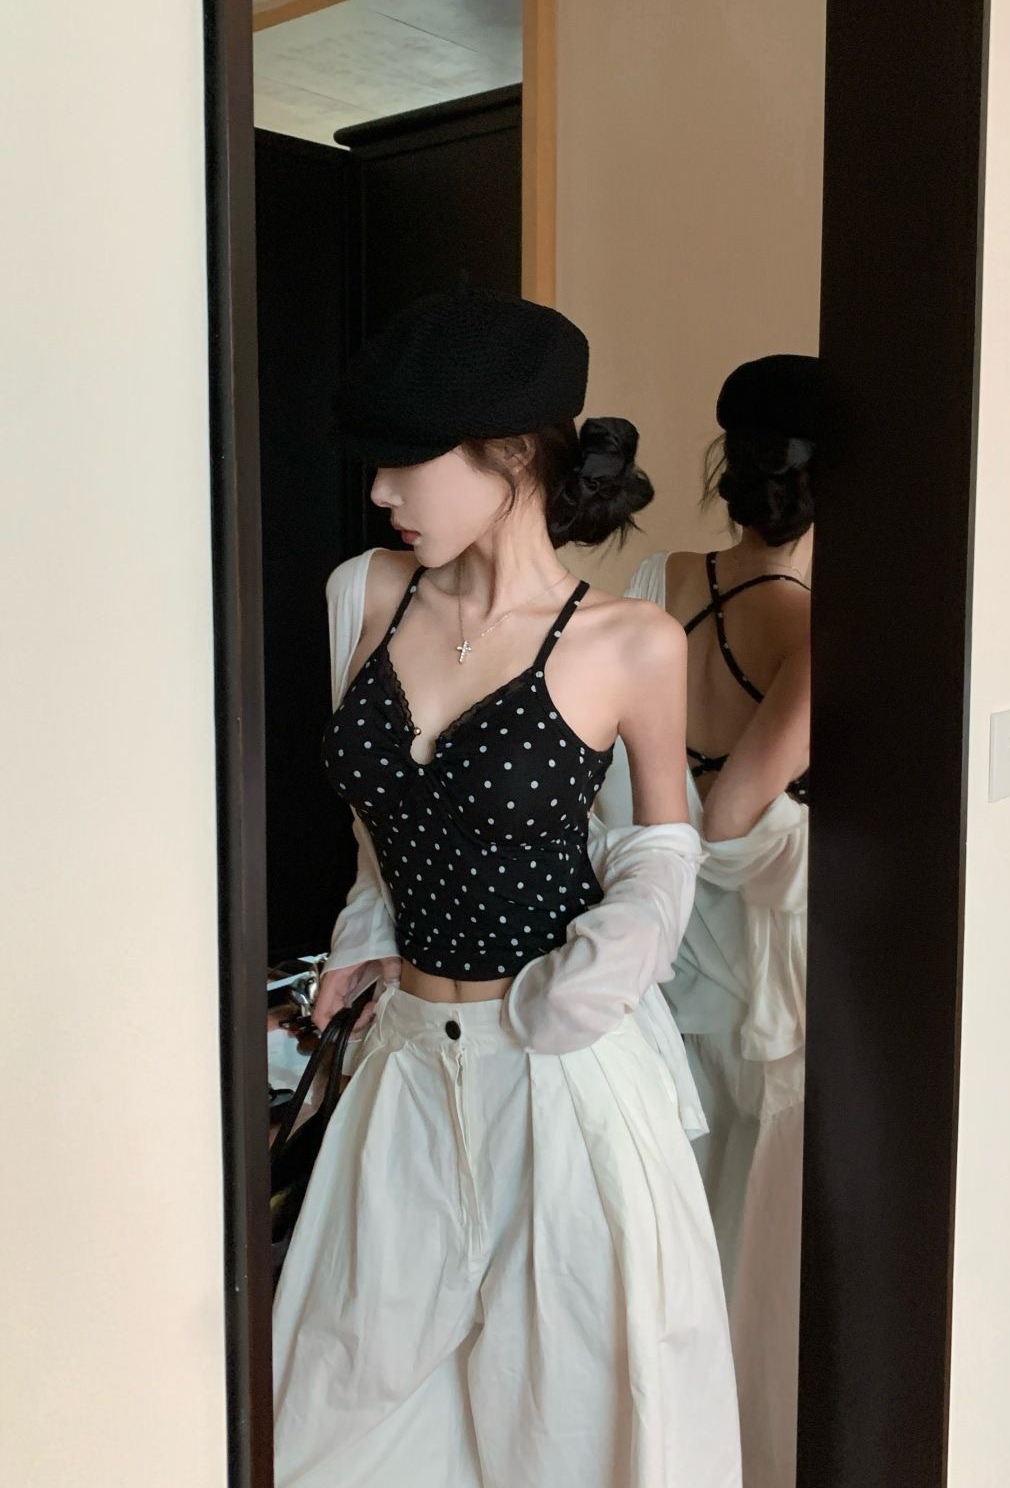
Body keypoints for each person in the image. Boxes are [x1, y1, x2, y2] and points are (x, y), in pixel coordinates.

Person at [271, 283, 742, 1488]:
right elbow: (379, 819)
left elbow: (662, 842)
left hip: (562, 1079)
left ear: (513, 455)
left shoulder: (628, 641)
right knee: (337, 1420)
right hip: (403, 1068)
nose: (382, 491)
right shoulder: (362, 594)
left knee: (573, 1431)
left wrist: (606, 970)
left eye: (406, 461)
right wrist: (366, 929)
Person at [594, 354, 821, 1488]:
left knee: (663, 1218)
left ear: (728, 463)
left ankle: (652, 1447)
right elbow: (730, 820)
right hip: (763, 979)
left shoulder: (658, 578)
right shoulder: (813, 631)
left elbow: (638, 795)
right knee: (751, 1239)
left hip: (656, 950)